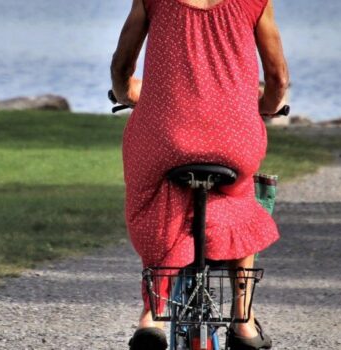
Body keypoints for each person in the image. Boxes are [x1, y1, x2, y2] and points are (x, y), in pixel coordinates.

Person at [110, 0, 289, 349]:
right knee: (240, 199)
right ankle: (243, 320)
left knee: (153, 195)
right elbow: (278, 76)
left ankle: (153, 314)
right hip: (234, 138)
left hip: (166, 135)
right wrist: (267, 106)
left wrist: (126, 92)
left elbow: (122, 63)